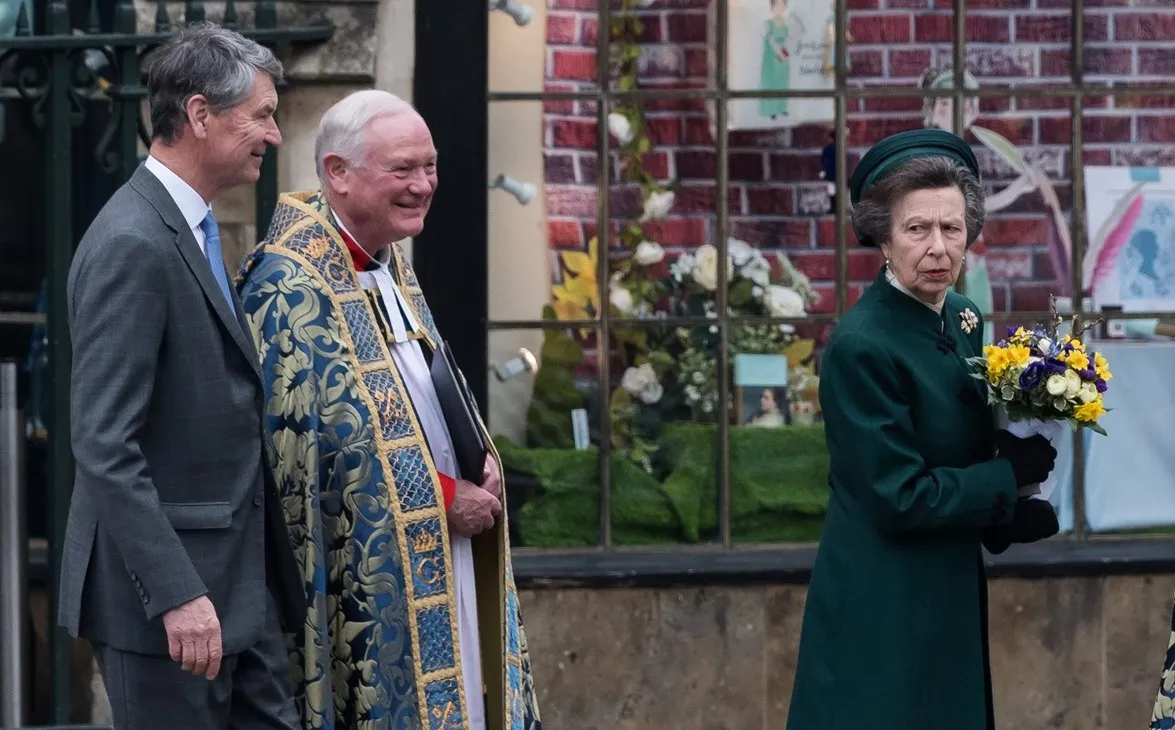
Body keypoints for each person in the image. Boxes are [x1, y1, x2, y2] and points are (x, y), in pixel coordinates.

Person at [237, 89, 542, 730]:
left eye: (429, 167)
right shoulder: (287, 286)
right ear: (337, 174)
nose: (423, 185)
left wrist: (478, 462)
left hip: (450, 543)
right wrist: (438, 493)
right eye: (402, 169)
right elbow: (303, 457)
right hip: (375, 576)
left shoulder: (386, 262)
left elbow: (417, 392)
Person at [59, 22, 304, 729]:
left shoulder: (183, 226)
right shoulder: (134, 241)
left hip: (237, 590)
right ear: (200, 115)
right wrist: (176, 593)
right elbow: (104, 444)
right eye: (261, 115)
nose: (275, 134)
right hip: (169, 606)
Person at [785, 128, 1061, 730]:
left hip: (947, 585)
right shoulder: (860, 345)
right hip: (884, 597)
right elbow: (899, 495)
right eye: (917, 229)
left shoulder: (964, 316)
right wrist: (1001, 479)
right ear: (883, 236)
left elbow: (958, 444)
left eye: (952, 228)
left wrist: (1008, 510)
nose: (938, 248)